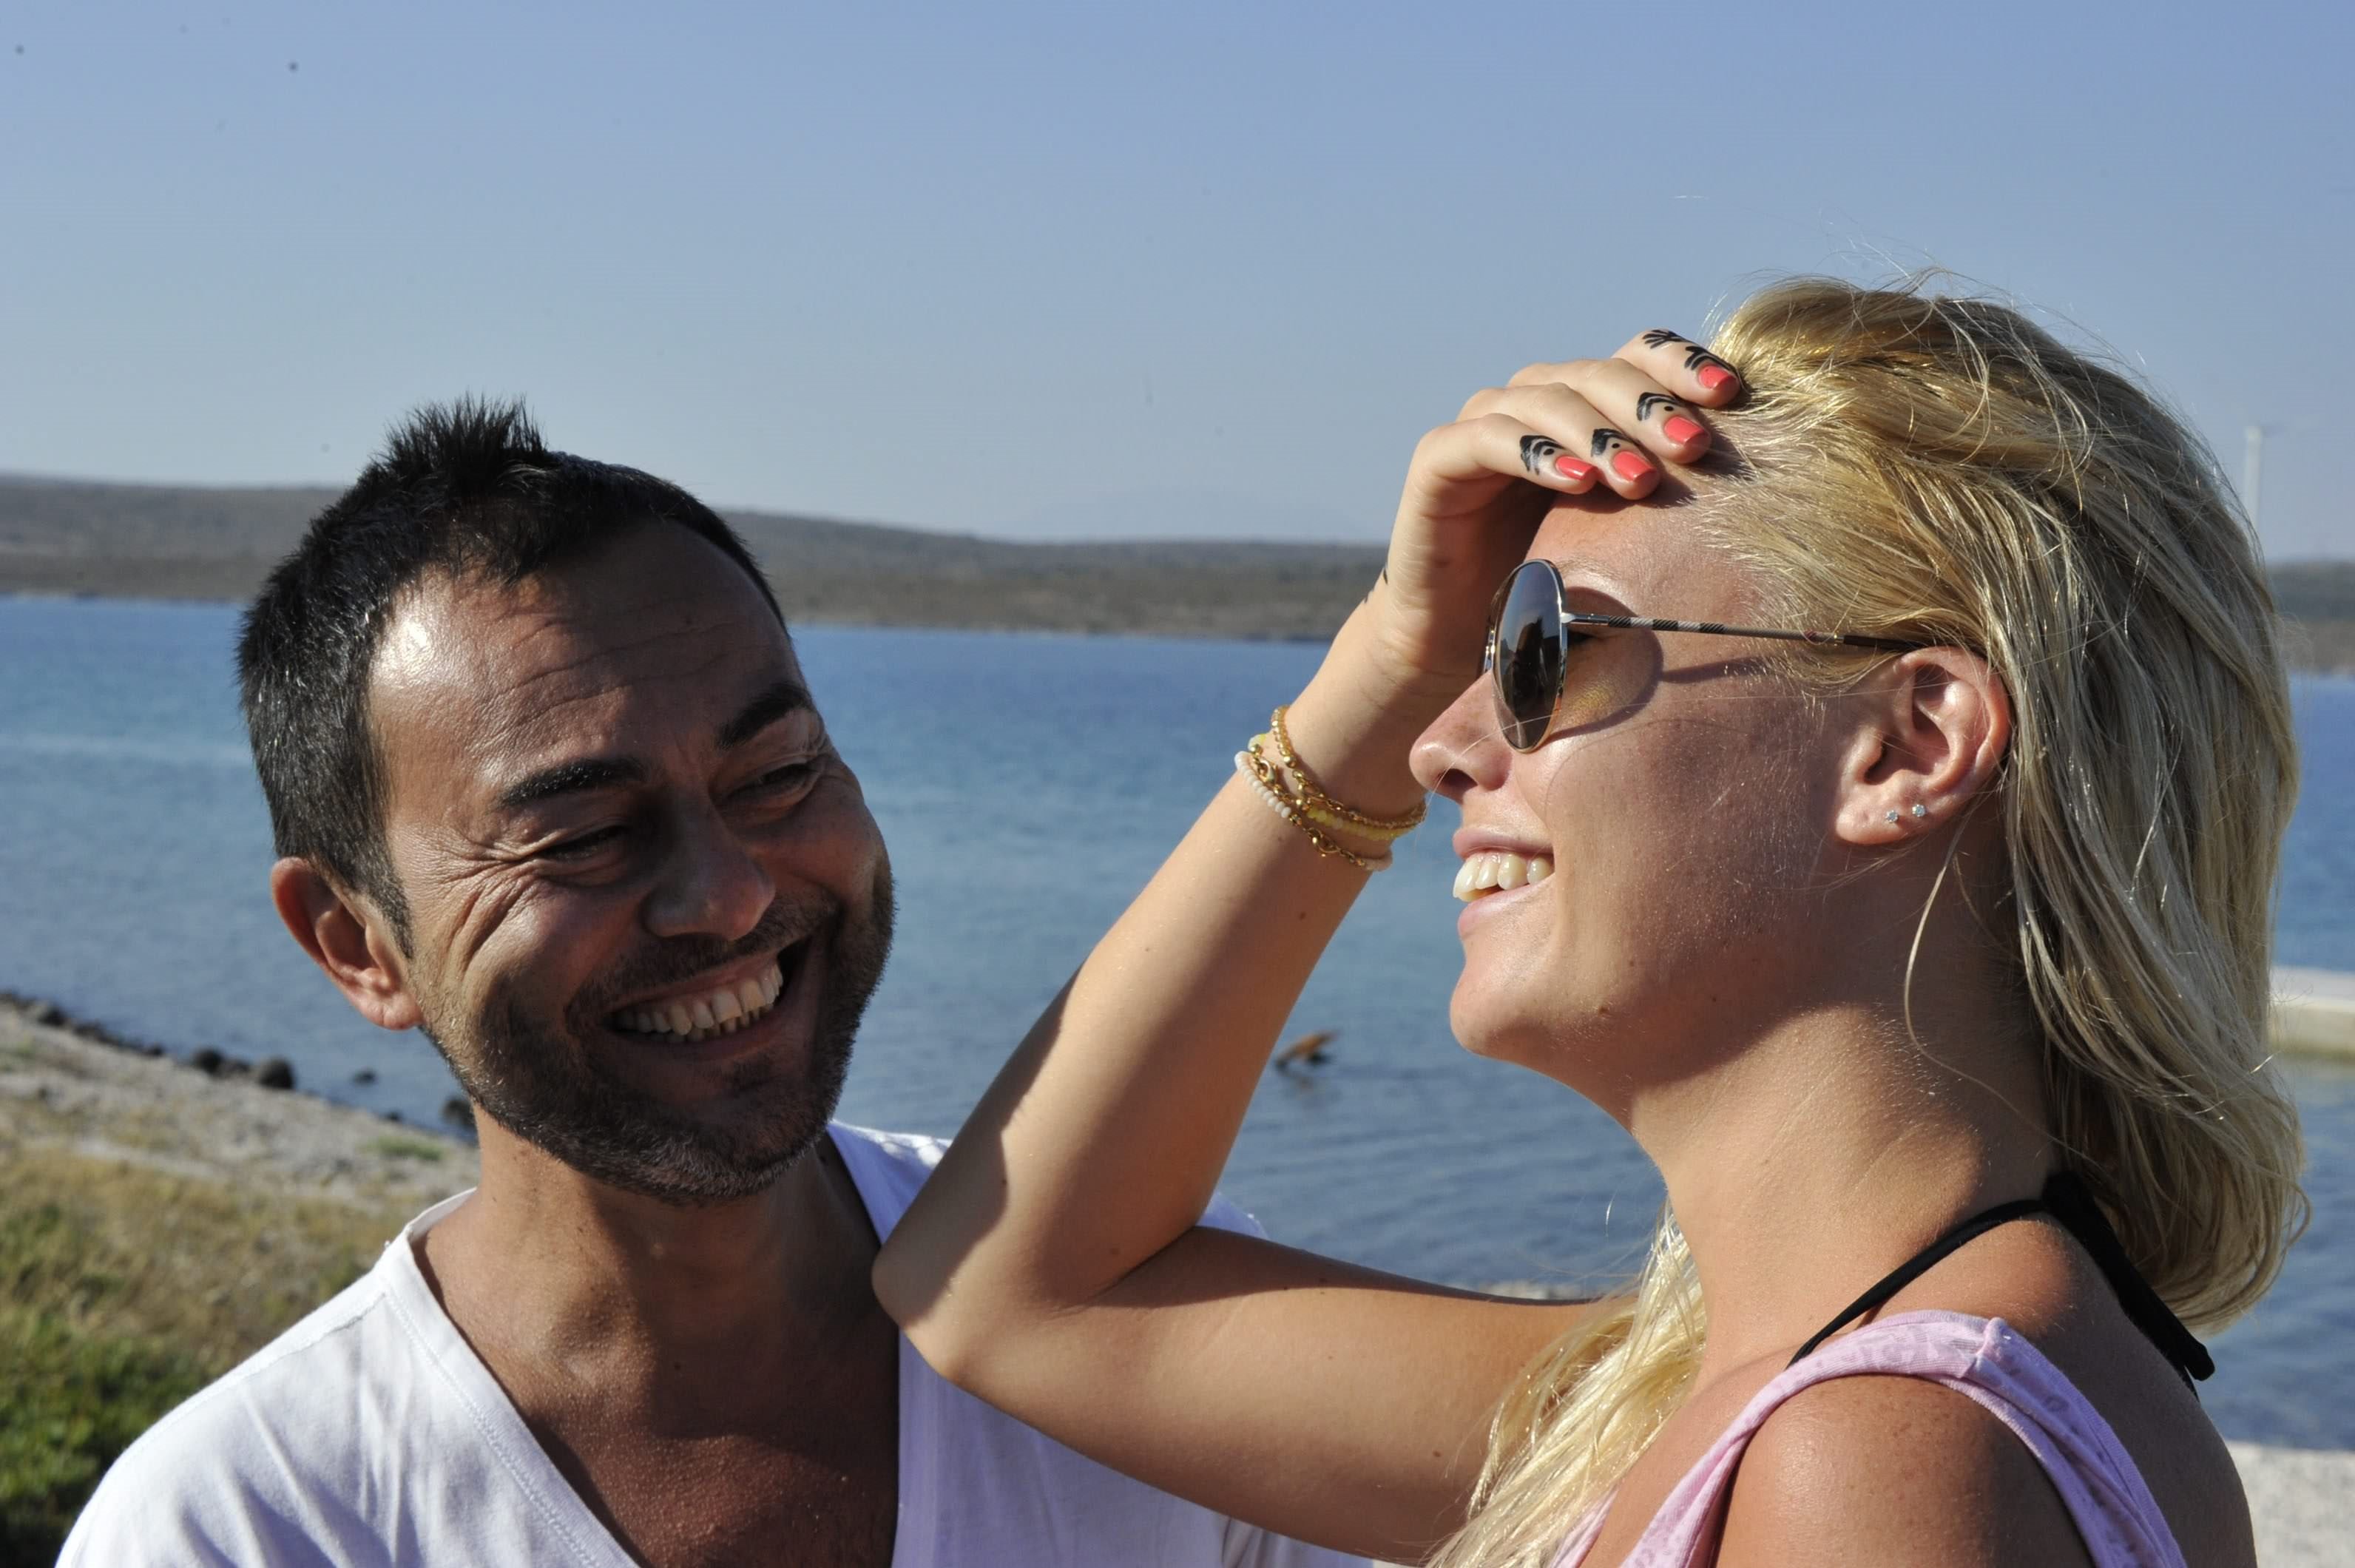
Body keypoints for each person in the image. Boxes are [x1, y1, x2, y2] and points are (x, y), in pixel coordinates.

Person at [873, 280, 2306, 1567]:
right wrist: (1390, 644)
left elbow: (1021, 1292)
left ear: (1906, 745)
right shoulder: (1736, 1395)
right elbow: (1006, 1294)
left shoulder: (1877, 1455)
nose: (1437, 747)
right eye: (1467, 661)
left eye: (1544, 649)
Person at [59, 402, 1361, 1568]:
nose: (728, 895)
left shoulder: (1160, 1337)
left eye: (779, 775)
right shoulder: (246, 1527)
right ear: (356, 943)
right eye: (582, 836)